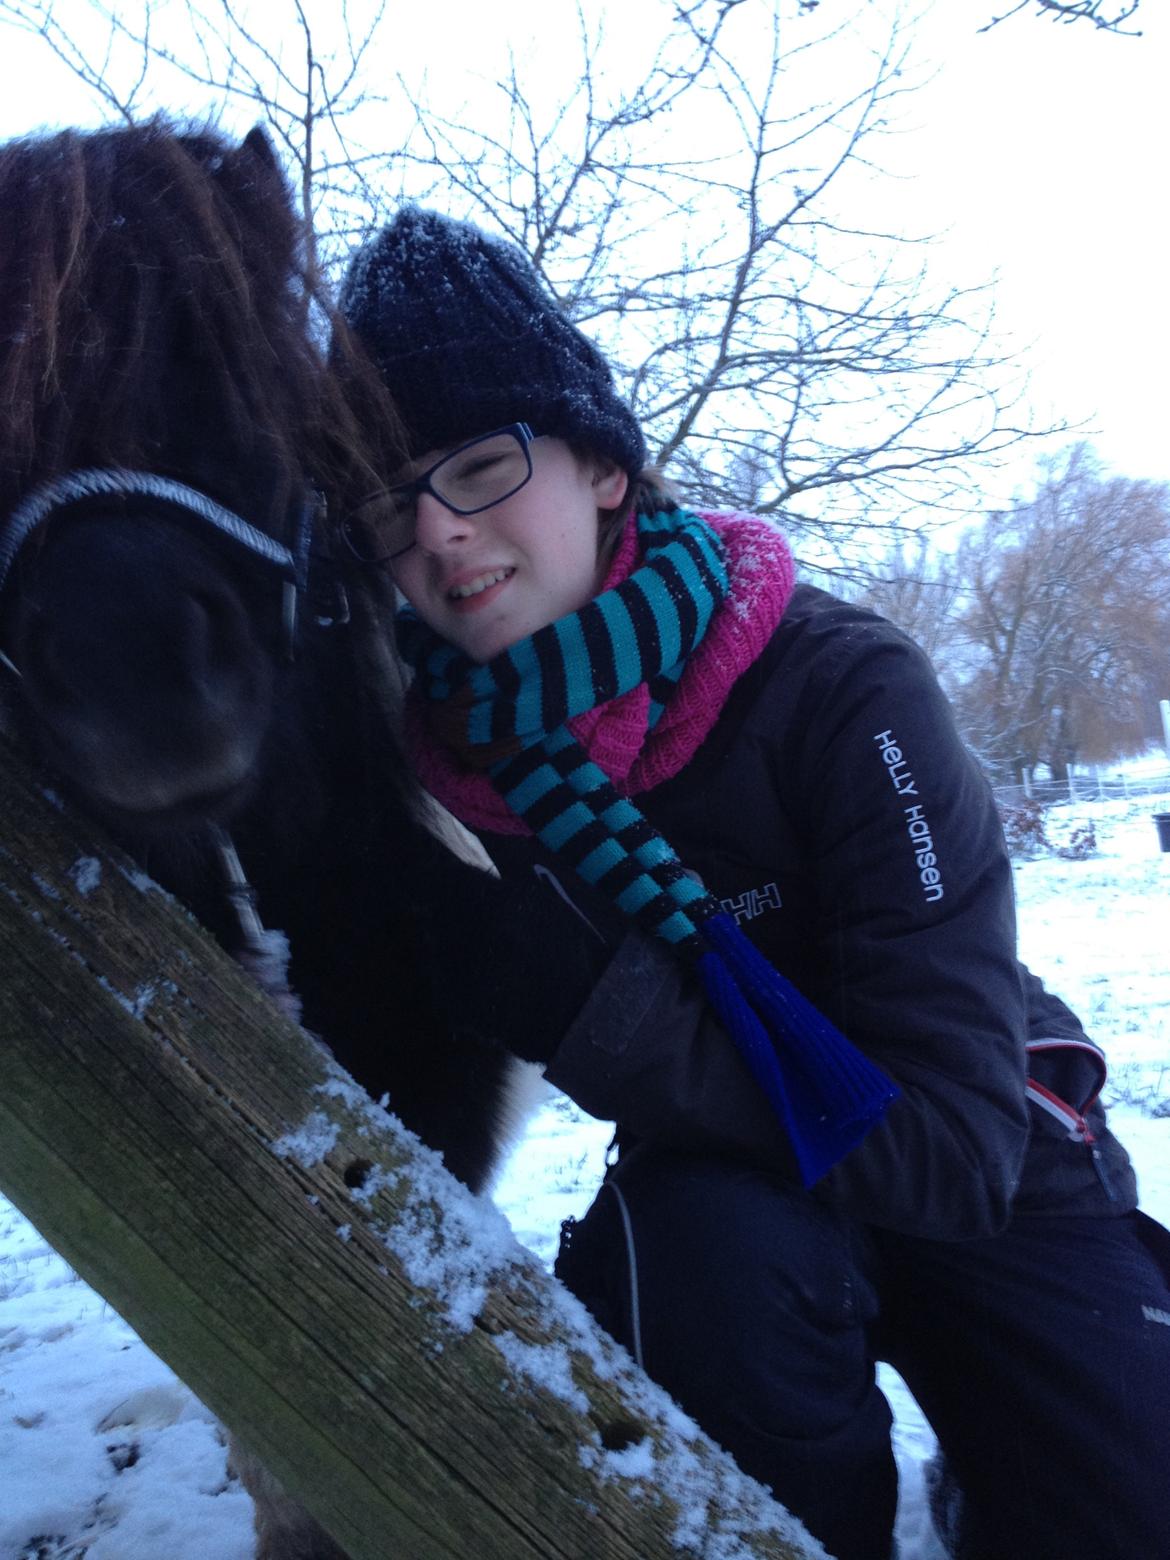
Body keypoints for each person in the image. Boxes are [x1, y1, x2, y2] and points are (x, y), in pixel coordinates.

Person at [339, 208, 1170, 1560]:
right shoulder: (424, 772)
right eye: (389, 504)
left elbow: (953, 1158)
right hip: (734, 1213)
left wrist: (600, 1017)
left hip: (984, 1151)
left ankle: (1001, 1457)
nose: (437, 532)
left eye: (482, 466)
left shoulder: (838, 686)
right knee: (699, 1272)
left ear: (602, 466)